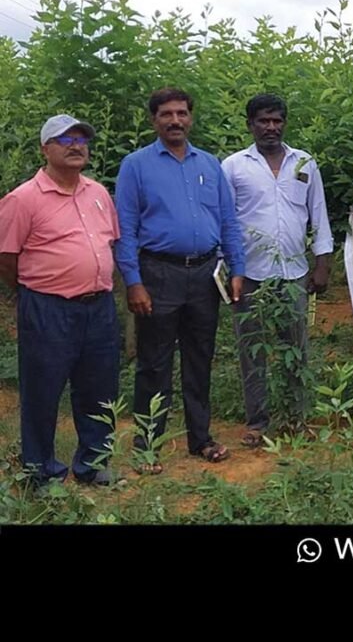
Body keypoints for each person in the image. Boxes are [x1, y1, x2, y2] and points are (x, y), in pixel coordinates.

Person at [115, 88, 245, 472]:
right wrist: (133, 281)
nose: (175, 120)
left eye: (182, 113)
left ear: (191, 117)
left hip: (205, 275)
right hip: (158, 273)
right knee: (154, 363)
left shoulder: (209, 164)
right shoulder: (136, 165)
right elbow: (126, 228)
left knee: (199, 359)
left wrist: (237, 269)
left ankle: (200, 439)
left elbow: (228, 222)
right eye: (167, 114)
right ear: (154, 120)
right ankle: (147, 446)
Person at [0, 115, 120, 487]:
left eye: (81, 138)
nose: (75, 145)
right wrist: (35, 290)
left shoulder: (98, 193)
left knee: (99, 388)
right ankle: (40, 471)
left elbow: (109, 243)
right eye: (64, 139)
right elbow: (6, 256)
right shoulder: (22, 199)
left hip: (99, 306)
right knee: (43, 390)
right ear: (45, 148)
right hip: (48, 308)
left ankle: (92, 463)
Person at [222, 94, 333, 445]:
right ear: (250, 124)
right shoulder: (234, 166)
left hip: (295, 272)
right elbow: (224, 221)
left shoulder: (304, 164)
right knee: (252, 347)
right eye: (263, 120)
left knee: (295, 346)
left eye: (277, 120)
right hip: (249, 272)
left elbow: (319, 214)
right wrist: (228, 269)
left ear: (285, 122)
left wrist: (322, 265)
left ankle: (295, 418)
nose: (271, 127)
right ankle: (257, 422)